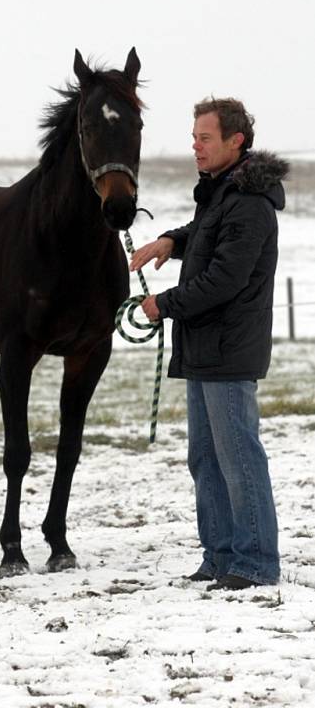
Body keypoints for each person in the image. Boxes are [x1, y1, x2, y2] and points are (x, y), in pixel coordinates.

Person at [131, 98, 287, 591]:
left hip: (228, 348)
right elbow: (204, 232)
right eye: (194, 136)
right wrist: (170, 242)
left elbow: (225, 278)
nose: (194, 146)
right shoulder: (223, 194)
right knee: (205, 458)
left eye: (204, 138)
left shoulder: (249, 203)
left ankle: (256, 562)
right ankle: (220, 556)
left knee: (239, 457)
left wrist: (165, 304)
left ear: (235, 141)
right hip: (204, 347)